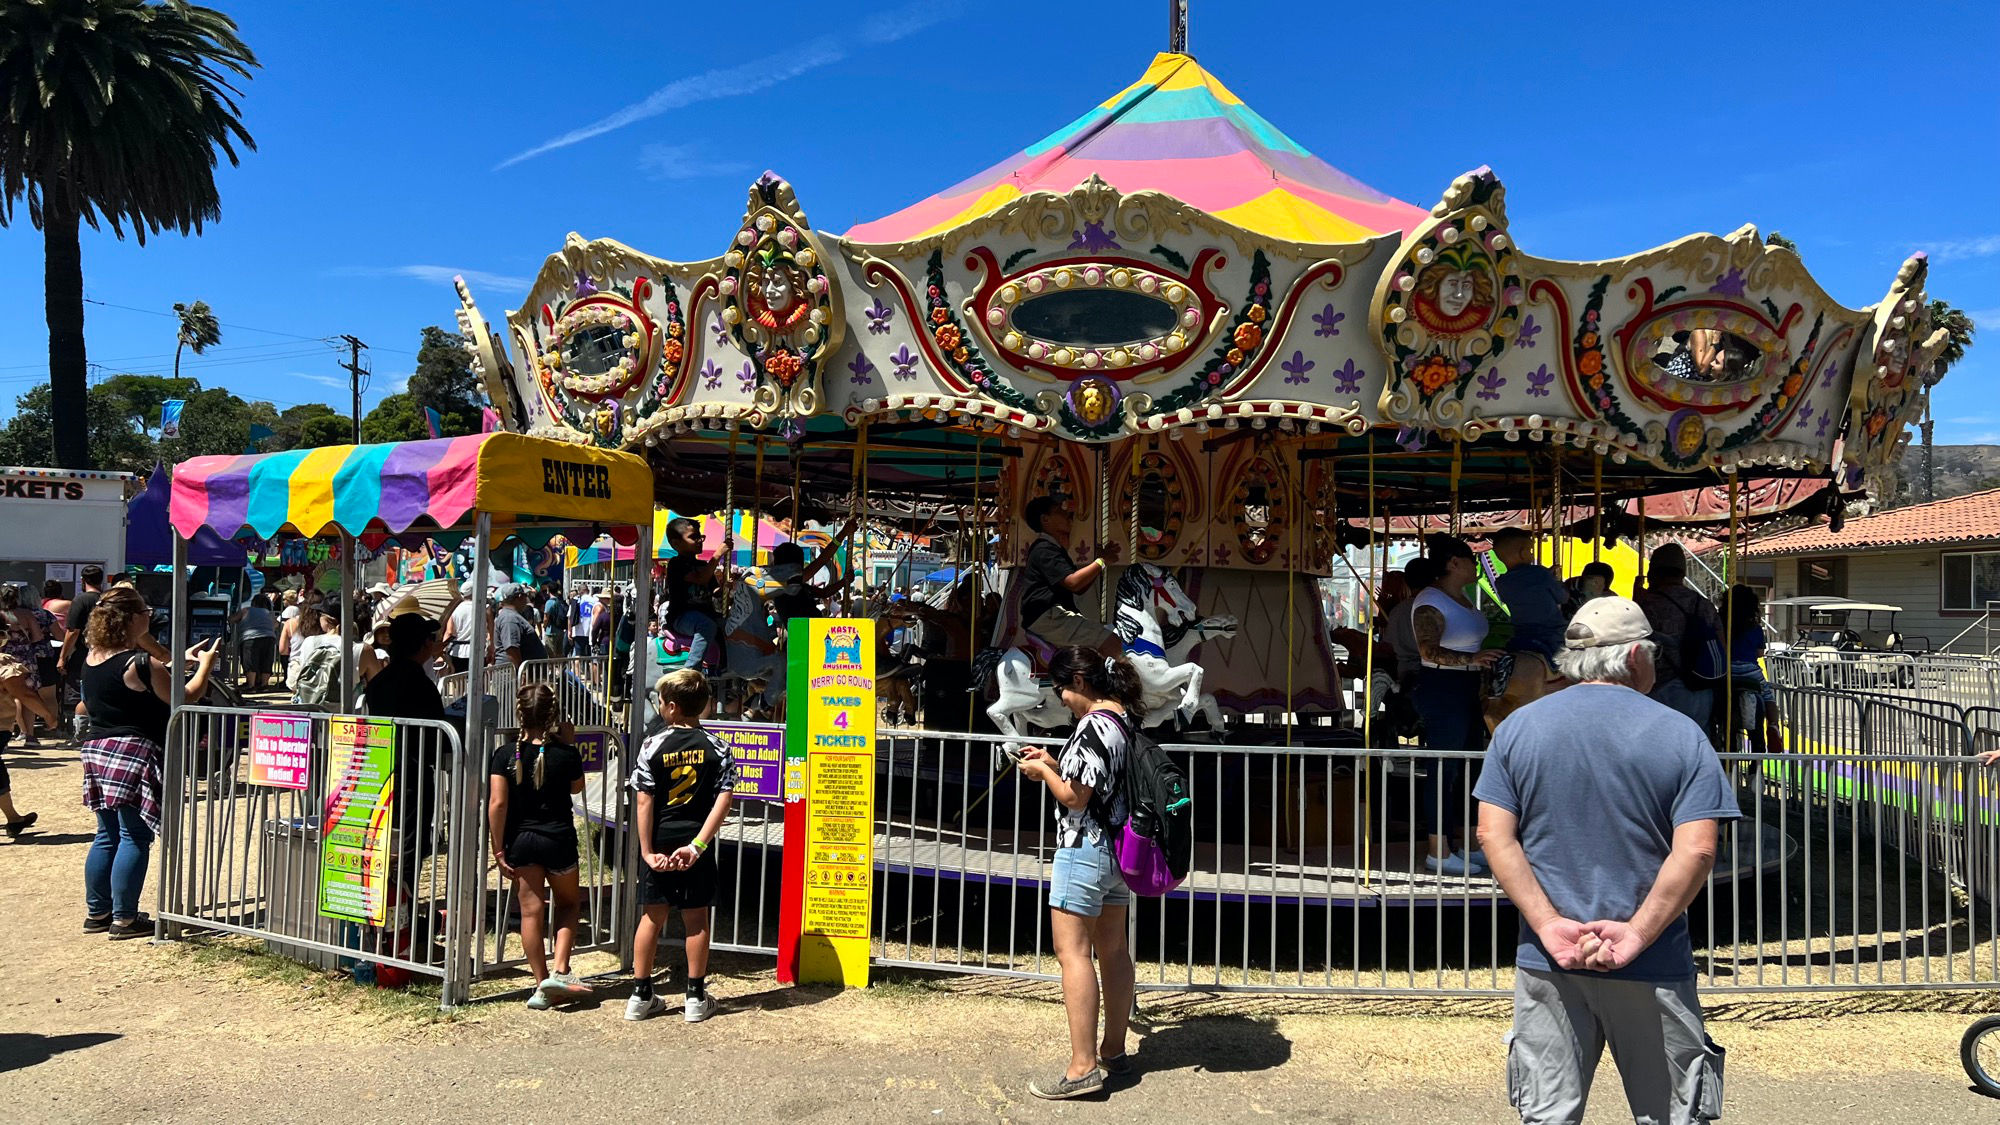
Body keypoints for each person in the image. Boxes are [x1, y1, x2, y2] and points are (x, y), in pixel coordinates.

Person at [1474, 596, 1736, 1124]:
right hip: (1653, 961)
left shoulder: (1517, 730)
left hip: (1548, 959)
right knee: (1672, 1113)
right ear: (1638, 656)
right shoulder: (1681, 734)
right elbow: (1699, 848)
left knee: (1547, 1113)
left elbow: (1492, 836)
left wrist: (1548, 925)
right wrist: (1637, 934)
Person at [1012, 647, 1141, 1099]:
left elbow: (1074, 798)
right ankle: (1114, 1050)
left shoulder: (1090, 728)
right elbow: (1099, 784)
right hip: (1117, 855)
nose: (1061, 698)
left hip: (1081, 849)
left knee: (1073, 954)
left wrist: (1040, 772)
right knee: (1114, 950)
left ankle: (1082, 1067)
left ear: (1081, 683)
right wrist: (1051, 761)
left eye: (1061, 688)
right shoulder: (1122, 720)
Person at [81, 587, 220, 938]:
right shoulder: (140, 662)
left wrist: (178, 662)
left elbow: (145, 682)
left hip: (97, 748)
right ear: (130, 619)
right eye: (144, 610)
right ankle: (125, 918)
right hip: (133, 749)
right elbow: (185, 695)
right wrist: (203, 667)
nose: (150, 614)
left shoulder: (93, 657)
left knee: (106, 835)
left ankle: (98, 912)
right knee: (134, 835)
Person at [627, 668, 738, 1023]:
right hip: (695, 840)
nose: (658, 707)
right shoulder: (719, 748)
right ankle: (694, 996)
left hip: (659, 839)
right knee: (697, 919)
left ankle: (640, 994)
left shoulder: (651, 746)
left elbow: (644, 801)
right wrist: (699, 846)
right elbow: (724, 799)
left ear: (672, 707)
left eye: (660, 702)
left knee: (651, 917)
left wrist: (647, 851)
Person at [487, 682, 591, 1010]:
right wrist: (569, 743)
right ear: (554, 715)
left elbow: (497, 804)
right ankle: (560, 970)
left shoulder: (504, 754)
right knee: (568, 904)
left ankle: (540, 983)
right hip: (558, 838)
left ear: (519, 714)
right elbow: (576, 788)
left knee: (531, 912)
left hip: (521, 842)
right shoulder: (565, 752)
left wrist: (498, 848)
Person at [1410, 533, 1506, 876]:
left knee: (1468, 766)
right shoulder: (1430, 601)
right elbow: (1428, 650)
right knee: (1444, 767)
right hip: (1442, 685)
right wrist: (1472, 659)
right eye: (1471, 559)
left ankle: (1466, 842)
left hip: (1467, 685)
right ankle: (1438, 848)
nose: (1476, 565)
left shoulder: (1461, 598)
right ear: (1454, 563)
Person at [1635, 543, 1722, 737]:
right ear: (1682, 572)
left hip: (1659, 686)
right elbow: (1721, 645)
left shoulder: (1648, 604)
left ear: (1653, 573)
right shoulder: (1703, 604)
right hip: (1701, 685)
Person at [1020, 496, 1119, 658]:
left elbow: (1080, 588)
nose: (1067, 515)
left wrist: (1100, 564)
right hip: (1049, 617)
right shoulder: (1044, 550)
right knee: (1111, 642)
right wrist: (1101, 561)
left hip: (1051, 616)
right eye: (1059, 511)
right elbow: (1073, 582)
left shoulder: (1052, 549)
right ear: (1045, 520)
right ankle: (1128, 683)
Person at [1490, 529, 1569, 662]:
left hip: (1521, 633)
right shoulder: (1540, 573)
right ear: (1522, 553)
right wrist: (1556, 581)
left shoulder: (1501, 582)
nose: (1532, 555)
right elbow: (1562, 597)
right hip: (1551, 631)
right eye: (1530, 551)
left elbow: (1526, 589)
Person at [662, 517, 722, 672]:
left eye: (700, 537)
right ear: (676, 543)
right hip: (682, 616)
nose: (699, 541)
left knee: (731, 626)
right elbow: (701, 579)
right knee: (706, 625)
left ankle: (723, 666)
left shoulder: (703, 565)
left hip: (706, 613)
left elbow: (716, 591)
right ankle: (691, 669)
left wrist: (733, 588)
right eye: (693, 537)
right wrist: (717, 556)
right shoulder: (676, 564)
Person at [1722, 585, 1776, 755]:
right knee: (1768, 696)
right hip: (1750, 672)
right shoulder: (1755, 628)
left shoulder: (1722, 623)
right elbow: (1760, 652)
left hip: (1726, 671)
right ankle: (1773, 726)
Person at [231, 592, 279, 691]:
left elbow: (232, 619)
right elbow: (276, 624)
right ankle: (264, 685)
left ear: (253, 602)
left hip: (250, 638)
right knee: (266, 660)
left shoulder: (246, 610)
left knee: (250, 661)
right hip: (269, 637)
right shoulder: (268, 613)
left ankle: (251, 685)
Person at [443, 581, 484, 674]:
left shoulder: (455, 609)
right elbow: (490, 631)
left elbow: (449, 632)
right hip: (478, 651)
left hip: (457, 651)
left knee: (458, 682)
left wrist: (442, 650)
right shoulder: (485, 607)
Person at [541, 584, 568, 659]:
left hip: (551, 632)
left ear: (548, 590)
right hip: (560, 631)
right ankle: (560, 669)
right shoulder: (561, 601)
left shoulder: (549, 602)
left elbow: (546, 617)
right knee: (559, 653)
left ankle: (552, 670)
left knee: (551, 654)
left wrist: (544, 626)